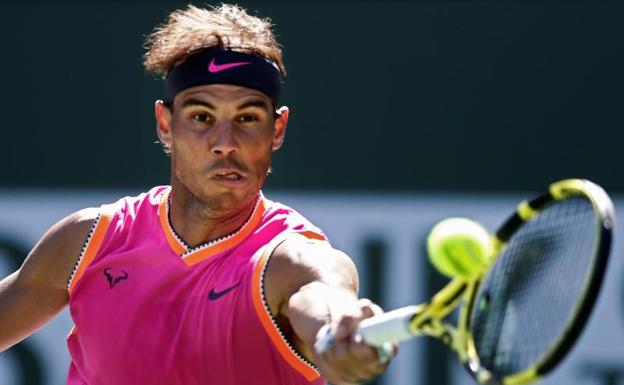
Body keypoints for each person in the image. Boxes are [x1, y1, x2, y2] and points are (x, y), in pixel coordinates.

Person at [0, 4, 394, 385]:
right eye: (202, 117)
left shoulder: (289, 259)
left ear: (277, 130)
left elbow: (325, 295)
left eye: (248, 118)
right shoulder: (88, 241)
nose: (225, 143)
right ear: (165, 124)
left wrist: (339, 330)